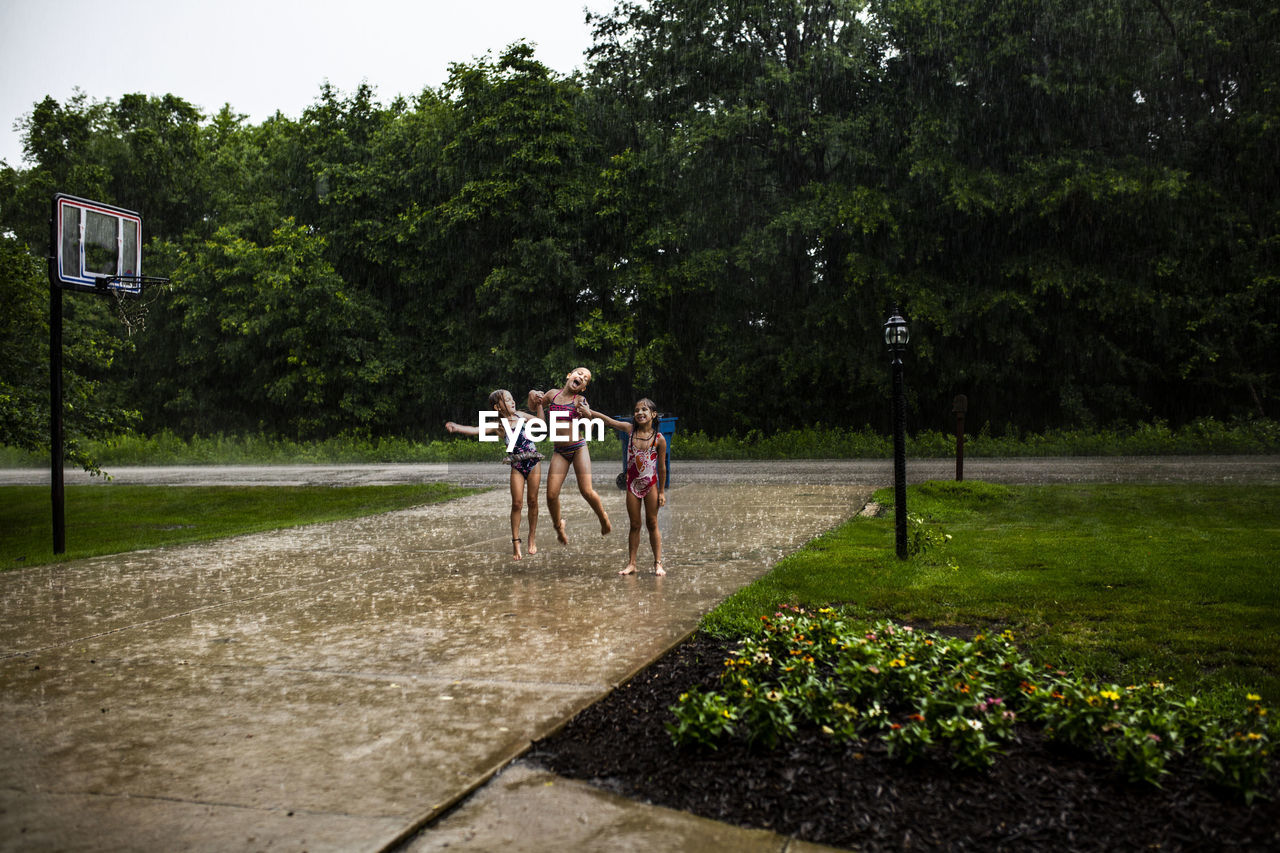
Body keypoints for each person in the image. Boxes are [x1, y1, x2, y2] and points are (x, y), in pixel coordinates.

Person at [445, 389, 544, 560]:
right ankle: (515, 542)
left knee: (533, 501)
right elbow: (475, 430)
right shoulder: (498, 426)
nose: (512, 402)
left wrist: (540, 404)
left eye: (512, 398)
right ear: (498, 407)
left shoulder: (521, 415)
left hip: (534, 461)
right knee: (517, 504)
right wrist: (457, 427)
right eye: (507, 400)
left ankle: (531, 538)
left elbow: (541, 422)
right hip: (517, 465)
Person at [577, 398, 667, 576]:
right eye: (636, 410)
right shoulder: (630, 430)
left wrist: (662, 492)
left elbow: (662, 468)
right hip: (632, 486)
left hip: (651, 485)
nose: (639, 413)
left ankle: (658, 563)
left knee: (652, 523)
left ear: (653, 415)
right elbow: (610, 422)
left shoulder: (659, 439)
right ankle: (632, 563)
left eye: (644, 410)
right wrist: (590, 412)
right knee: (634, 524)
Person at [527, 367, 611, 544]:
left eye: (586, 379)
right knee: (551, 495)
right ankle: (559, 526)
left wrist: (588, 416)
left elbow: (590, 427)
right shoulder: (552, 395)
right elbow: (534, 407)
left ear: (583, 388)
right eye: (579, 374)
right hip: (560, 451)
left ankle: (602, 516)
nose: (581, 377)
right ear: (569, 375)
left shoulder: (580, 400)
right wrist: (533, 394)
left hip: (578, 447)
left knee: (586, 490)